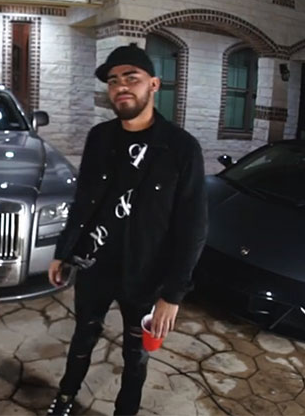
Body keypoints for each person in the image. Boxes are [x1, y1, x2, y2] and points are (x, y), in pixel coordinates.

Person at [46, 44, 208, 416]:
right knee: (83, 337)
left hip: (146, 274)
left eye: (131, 78)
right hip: (94, 266)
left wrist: (173, 294)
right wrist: (63, 251)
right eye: (114, 80)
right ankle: (66, 396)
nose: (121, 87)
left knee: (136, 354)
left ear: (154, 84)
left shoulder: (181, 148)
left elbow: (193, 227)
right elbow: (84, 202)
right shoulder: (99, 137)